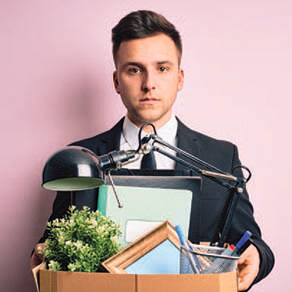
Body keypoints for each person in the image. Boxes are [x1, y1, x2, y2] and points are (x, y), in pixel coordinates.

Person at [31, 10, 274, 291]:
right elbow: (52, 242)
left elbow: (252, 241)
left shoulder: (221, 157)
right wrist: (42, 256)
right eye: (134, 69)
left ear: (179, 78)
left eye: (162, 68)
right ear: (116, 81)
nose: (149, 84)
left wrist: (256, 255)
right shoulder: (81, 157)